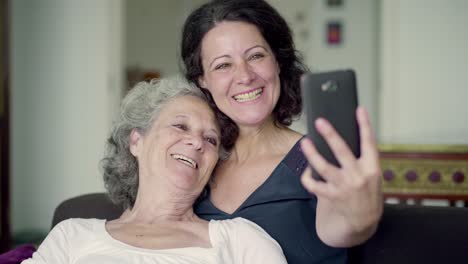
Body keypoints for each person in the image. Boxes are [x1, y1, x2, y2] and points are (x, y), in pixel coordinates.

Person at [181, 0, 383, 263]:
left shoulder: (316, 157)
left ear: (277, 61)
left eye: (255, 56)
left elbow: (341, 229)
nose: (244, 76)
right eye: (223, 65)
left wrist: (359, 215)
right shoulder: (198, 162)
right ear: (203, 80)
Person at [22, 77, 287, 264]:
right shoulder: (73, 235)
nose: (196, 142)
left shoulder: (240, 239)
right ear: (137, 141)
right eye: (181, 126)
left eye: (210, 139)